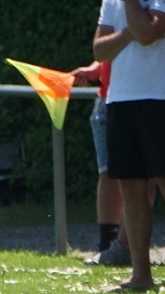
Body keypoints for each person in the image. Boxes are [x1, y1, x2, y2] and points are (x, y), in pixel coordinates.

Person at [94, 0, 165, 292]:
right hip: (120, 100)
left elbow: (149, 33)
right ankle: (141, 277)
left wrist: (132, 20)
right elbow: (99, 50)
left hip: (163, 99)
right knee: (131, 190)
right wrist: (129, 31)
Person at [71, 60, 132, 266]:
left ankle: (126, 248)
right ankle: (108, 247)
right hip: (107, 100)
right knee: (108, 173)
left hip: (137, 100)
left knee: (146, 179)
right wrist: (94, 70)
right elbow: (106, 52)